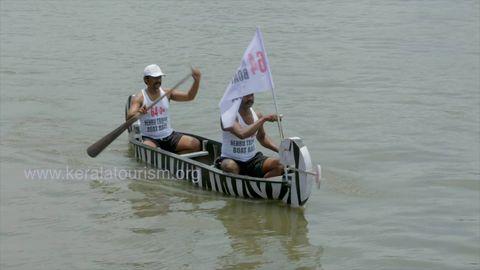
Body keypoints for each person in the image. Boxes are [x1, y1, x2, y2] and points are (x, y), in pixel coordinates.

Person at [127, 64, 202, 154]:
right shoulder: (140, 97)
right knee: (150, 151)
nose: (158, 80)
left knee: (195, 144)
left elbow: (190, 96)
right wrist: (139, 112)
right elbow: (129, 116)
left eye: (159, 77)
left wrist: (196, 81)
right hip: (150, 138)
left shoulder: (167, 93)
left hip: (169, 135)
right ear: (146, 80)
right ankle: (166, 156)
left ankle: (174, 158)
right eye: (155, 78)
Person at [216, 93, 284, 178]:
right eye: (246, 96)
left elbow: (262, 138)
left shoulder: (257, 115)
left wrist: (280, 150)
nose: (250, 98)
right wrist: (264, 119)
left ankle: (262, 185)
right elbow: (242, 134)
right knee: (230, 166)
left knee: (280, 165)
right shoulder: (227, 116)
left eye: (252, 95)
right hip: (231, 159)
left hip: (252, 159)